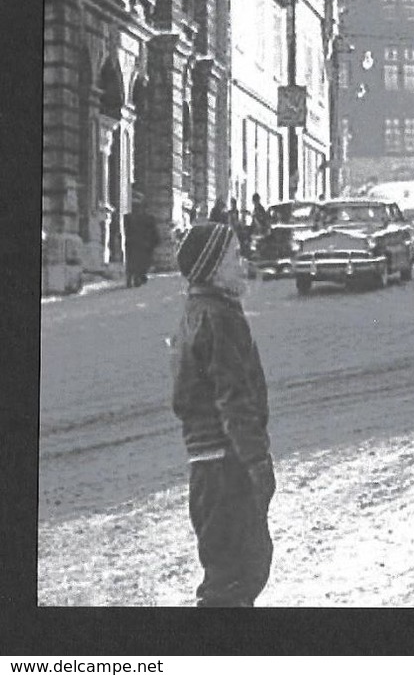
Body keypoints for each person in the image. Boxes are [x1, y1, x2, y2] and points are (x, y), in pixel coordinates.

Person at [170, 222, 276, 607]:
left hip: (207, 468)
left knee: (229, 572)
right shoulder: (220, 317)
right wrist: (257, 463)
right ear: (213, 269)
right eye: (234, 256)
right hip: (227, 466)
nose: (242, 262)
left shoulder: (197, 310)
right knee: (238, 575)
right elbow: (234, 400)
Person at [123, 195, 159, 288]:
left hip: (133, 244)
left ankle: (133, 278)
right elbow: (154, 232)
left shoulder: (128, 218)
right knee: (142, 262)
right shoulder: (149, 218)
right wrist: (154, 242)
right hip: (143, 244)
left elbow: (126, 231)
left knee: (132, 262)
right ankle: (137, 277)